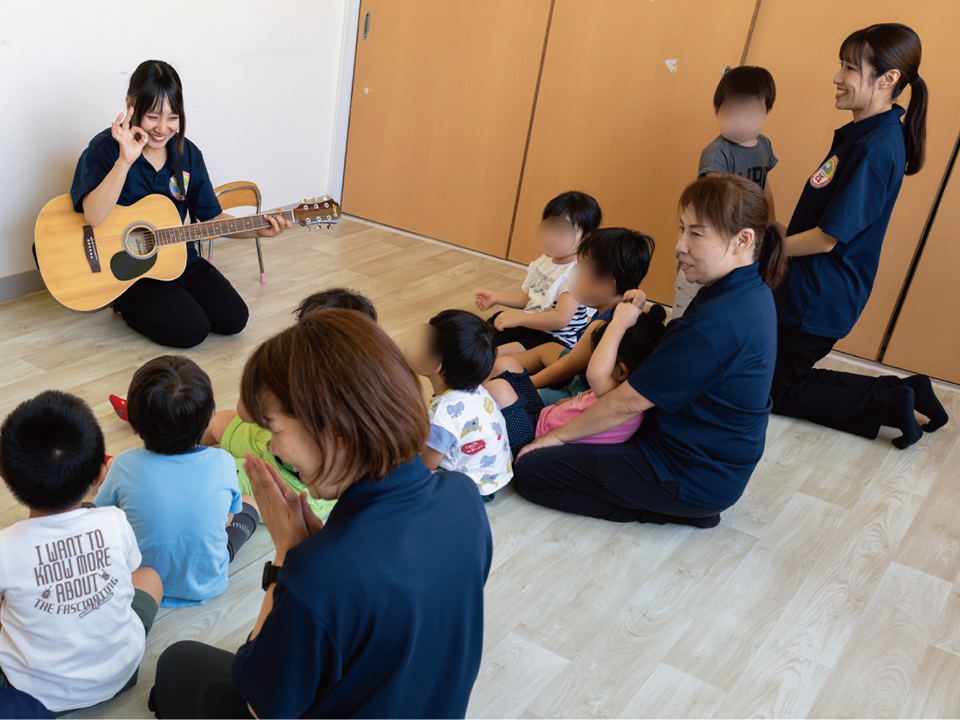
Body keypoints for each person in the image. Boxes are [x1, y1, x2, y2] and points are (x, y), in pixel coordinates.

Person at [150, 311, 493, 719]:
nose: (273, 448)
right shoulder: (464, 497)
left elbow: (262, 709)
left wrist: (287, 557)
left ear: (336, 434)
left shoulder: (320, 575)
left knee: (176, 661)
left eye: (276, 430)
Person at [514, 175, 787, 527]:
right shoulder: (746, 290)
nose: (679, 245)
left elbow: (628, 402)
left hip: (688, 474)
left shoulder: (721, 320)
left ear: (743, 240)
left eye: (696, 234)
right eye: (682, 229)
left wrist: (556, 437)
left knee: (532, 469)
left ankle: (667, 511)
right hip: (708, 461)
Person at [770, 23, 947, 448]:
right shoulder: (866, 135)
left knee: (771, 391)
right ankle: (905, 391)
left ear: (887, 79)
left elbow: (827, 238)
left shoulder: (877, 146)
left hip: (816, 297)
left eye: (849, 68)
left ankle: (890, 400)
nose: (837, 77)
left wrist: (766, 249)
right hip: (811, 290)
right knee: (777, 378)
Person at [70, 59, 292, 348]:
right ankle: (123, 304)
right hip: (131, 273)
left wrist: (257, 230)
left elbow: (212, 218)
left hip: (180, 258)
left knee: (234, 318)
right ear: (130, 104)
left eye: (173, 117)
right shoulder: (104, 150)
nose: (162, 128)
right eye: (153, 116)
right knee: (192, 331)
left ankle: (173, 298)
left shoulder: (188, 155)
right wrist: (124, 162)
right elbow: (93, 216)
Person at [0, 391, 163, 714]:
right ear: (100, 475)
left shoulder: (6, 546)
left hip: (33, 693)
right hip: (122, 673)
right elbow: (130, 573)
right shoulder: (114, 520)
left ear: (6, 477)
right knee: (150, 577)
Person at [202, 288, 381, 522]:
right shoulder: (363, 385)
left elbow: (247, 411)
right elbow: (246, 415)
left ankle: (237, 525)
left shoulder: (324, 395)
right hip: (268, 441)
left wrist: (265, 381)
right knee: (215, 422)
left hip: (295, 485)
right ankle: (173, 445)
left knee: (217, 483)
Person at [95, 356, 258, 607]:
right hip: (207, 582)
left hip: (139, 582)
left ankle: (97, 468)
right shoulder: (224, 462)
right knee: (250, 504)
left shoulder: (125, 464)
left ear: (134, 425)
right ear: (210, 418)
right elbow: (227, 519)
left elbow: (102, 519)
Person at [487, 227, 655, 406]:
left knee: (513, 394)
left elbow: (566, 369)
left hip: (581, 392)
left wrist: (527, 385)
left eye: (582, 270)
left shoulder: (601, 324)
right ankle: (496, 367)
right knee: (548, 348)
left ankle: (507, 380)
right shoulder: (626, 305)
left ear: (608, 284)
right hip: (580, 368)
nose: (574, 276)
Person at [674, 65, 778, 319]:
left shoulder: (763, 145)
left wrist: (772, 223)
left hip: (740, 246)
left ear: (767, 112)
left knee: (723, 306)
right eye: (731, 114)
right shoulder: (718, 153)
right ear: (716, 111)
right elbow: (716, 206)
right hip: (713, 247)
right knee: (688, 308)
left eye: (750, 115)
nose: (740, 123)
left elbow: (765, 185)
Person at [476, 191, 602, 353]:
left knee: (494, 355)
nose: (550, 237)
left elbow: (560, 318)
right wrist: (497, 297)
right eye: (548, 228)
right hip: (531, 327)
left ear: (586, 238)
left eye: (561, 232)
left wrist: (519, 318)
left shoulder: (577, 274)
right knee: (482, 335)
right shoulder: (545, 260)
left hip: (552, 340)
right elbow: (531, 298)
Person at [406, 310, 513, 498]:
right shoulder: (476, 390)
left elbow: (426, 464)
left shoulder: (442, 417)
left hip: (474, 487)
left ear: (435, 363)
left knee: (407, 472)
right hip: (495, 474)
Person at [536, 305, 668, 444]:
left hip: (539, 431)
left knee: (517, 382)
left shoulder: (612, 395)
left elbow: (596, 374)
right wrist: (572, 400)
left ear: (621, 372)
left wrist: (619, 323)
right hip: (546, 419)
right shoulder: (622, 393)